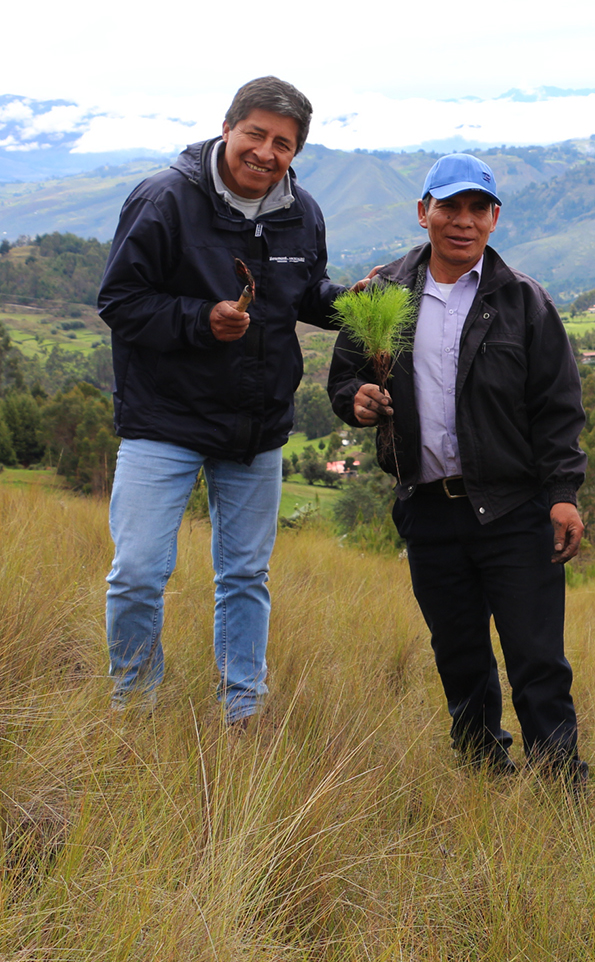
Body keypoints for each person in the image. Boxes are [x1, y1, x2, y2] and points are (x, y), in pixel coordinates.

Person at [327, 154, 588, 784]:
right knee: (459, 654)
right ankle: (482, 777)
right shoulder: (382, 293)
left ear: (495, 219)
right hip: (427, 508)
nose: (462, 221)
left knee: (535, 656)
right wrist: (356, 402)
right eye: (449, 207)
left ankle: (559, 786)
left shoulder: (524, 302)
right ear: (424, 213)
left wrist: (562, 494)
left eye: (477, 209)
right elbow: (345, 379)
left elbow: (557, 407)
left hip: (512, 508)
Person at [98, 77, 347, 725]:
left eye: (283, 143)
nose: (266, 152)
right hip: (165, 420)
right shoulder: (164, 200)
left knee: (244, 578)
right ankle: (135, 704)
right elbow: (120, 302)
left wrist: (349, 304)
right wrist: (200, 319)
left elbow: (303, 291)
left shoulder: (303, 212)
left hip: (255, 428)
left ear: (296, 151)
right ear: (229, 127)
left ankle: (243, 710)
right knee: (138, 573)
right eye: (256, 134)